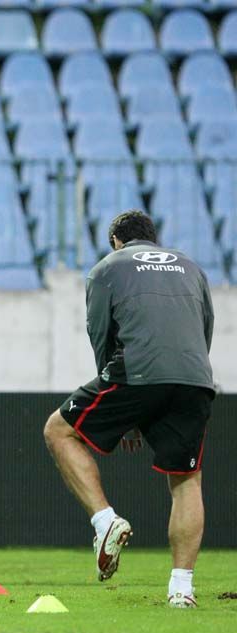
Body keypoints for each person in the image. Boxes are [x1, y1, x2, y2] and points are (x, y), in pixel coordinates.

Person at [43, 210, 215, 609]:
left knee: (57, 430)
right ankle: (181, 589)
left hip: (137, 370)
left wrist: (125, 416)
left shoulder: (108, 267)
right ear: (153, 239)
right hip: (194, 376)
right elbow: (204, 326)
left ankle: (105, 522)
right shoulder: (191, 266)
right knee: (186, 479)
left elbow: (101, 335)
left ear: (117, 241)